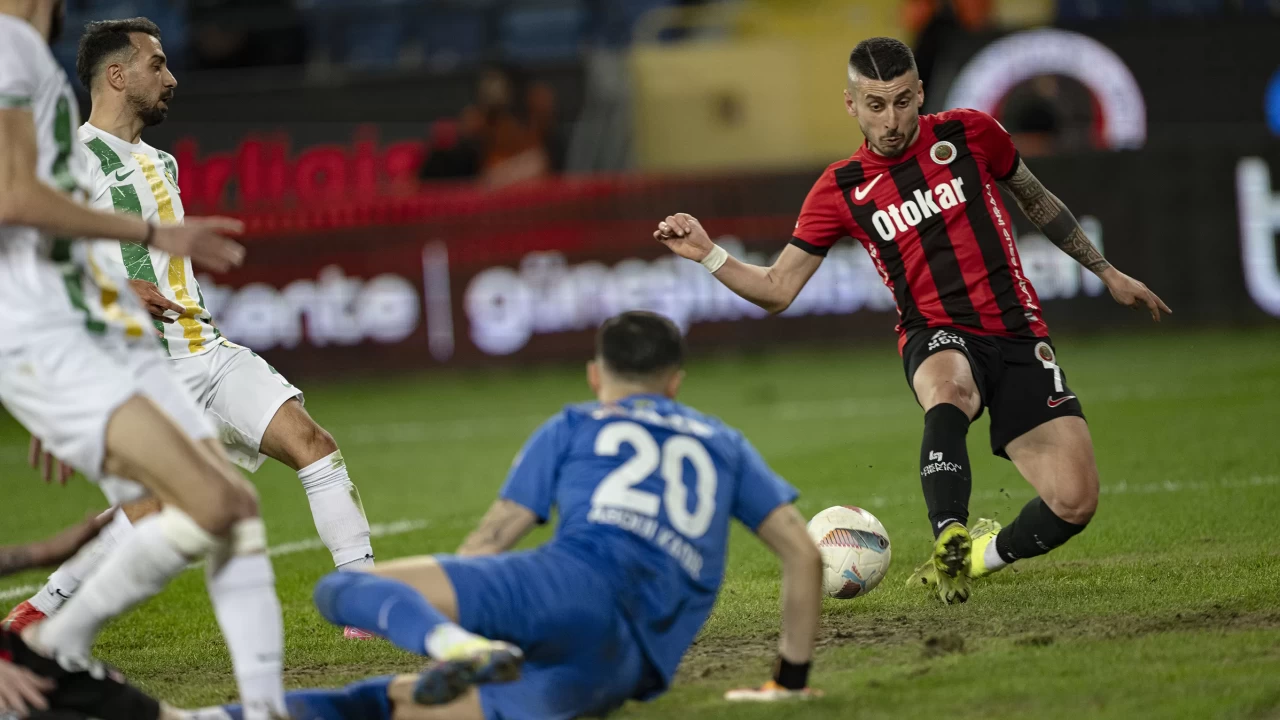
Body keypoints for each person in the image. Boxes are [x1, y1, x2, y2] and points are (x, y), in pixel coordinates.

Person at [652, 37, 1170, 605]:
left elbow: (1036, 198)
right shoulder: (840, 188)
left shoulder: (972, 133)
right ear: (850, 105)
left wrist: (1106, 271)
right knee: (948, 388)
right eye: (875, 105)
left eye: (903, 101)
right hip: (934, 332)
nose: (892, 119)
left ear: (921, 92)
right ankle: (948, 528)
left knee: (1075, 501)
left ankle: (972, 559)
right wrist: (709, 254)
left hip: (1019, 332)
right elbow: (778, 289)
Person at [204, 310, 822, 720]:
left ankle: (452, 643)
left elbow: (493, 539)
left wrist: (469, 600)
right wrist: (790, 681)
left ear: (594, 375)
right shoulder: (725, 444)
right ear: (677, 382)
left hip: (557, 589)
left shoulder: (579, 422)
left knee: (345, 590)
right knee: (398, 706)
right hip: (620, 668)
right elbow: (804, 555)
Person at [4, 16, 377, 641]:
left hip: (209, 350)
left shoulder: (164, 164)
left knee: (313, 445)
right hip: (144, 369)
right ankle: (43, 607)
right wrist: (117, 288)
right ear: (117, 75)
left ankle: (363, 599)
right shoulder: (67, 161)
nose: (171, 78)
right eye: (157, 65)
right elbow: (39, 263)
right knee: (154, 511)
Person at [0, 1, 288, 717]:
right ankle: (54, 644)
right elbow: (14, 199)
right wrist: (154, 234)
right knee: (207, 506)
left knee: (226, 505)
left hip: (79, 334)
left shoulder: (28, 55)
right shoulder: (8, 47)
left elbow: (41, 226)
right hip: (45, 338)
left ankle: (264, 708)